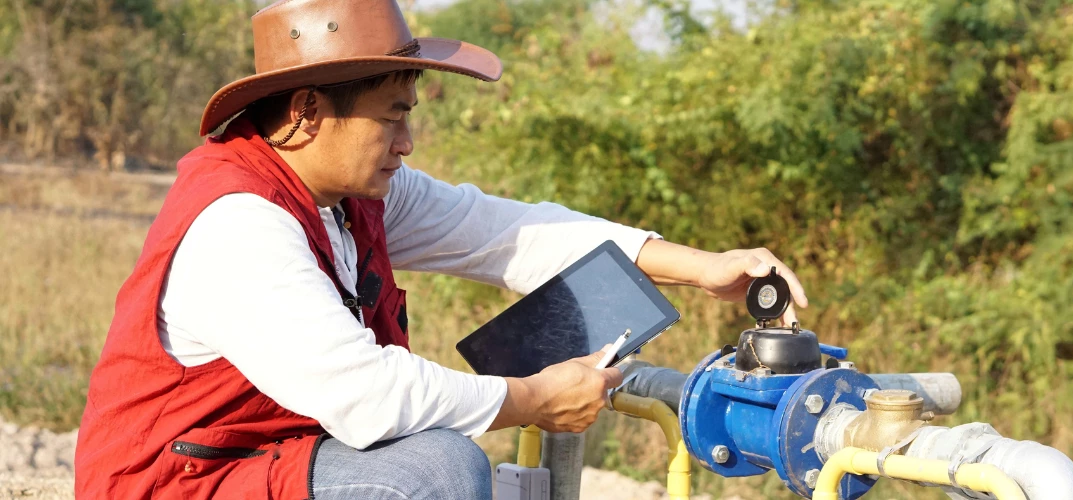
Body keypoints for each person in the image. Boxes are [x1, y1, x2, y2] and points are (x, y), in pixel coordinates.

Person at [74, 0, 808, 498]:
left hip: (258, 463)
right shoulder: (242, 225)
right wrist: (535, 399)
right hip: (178, 484)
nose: (407, 141)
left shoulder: (353, 197)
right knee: (435, 471)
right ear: (305, 115)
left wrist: (703, 267)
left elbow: (505, 233)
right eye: (391, 118)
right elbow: (368, 395)